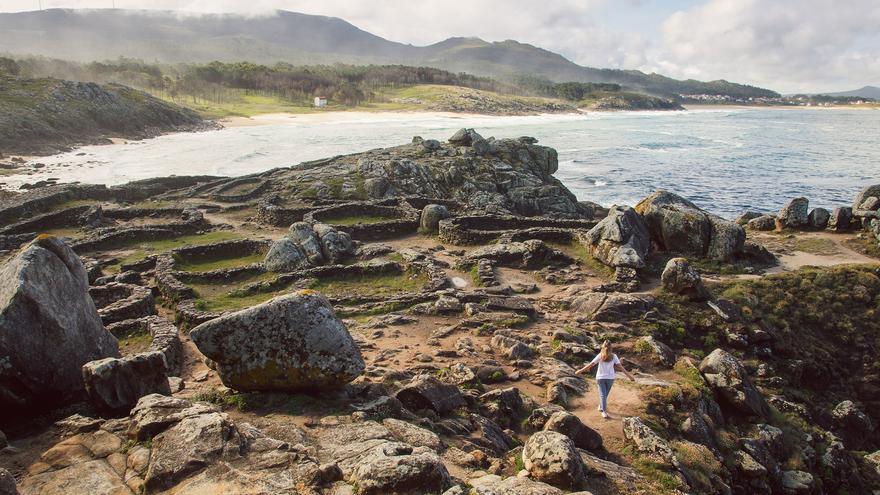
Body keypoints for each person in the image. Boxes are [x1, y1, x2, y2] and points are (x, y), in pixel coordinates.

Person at [575, 340, 634, 418]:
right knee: (604, 395)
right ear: (611, 348)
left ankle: (601, 407)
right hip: (610, 378)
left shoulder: (600, 355)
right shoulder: (614, 356)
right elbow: (621, 367)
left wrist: (580, 371)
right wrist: (629, 376)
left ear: (603, 347)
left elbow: (591, 364)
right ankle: (604, 411)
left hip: (601, 377)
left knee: (603, 395)